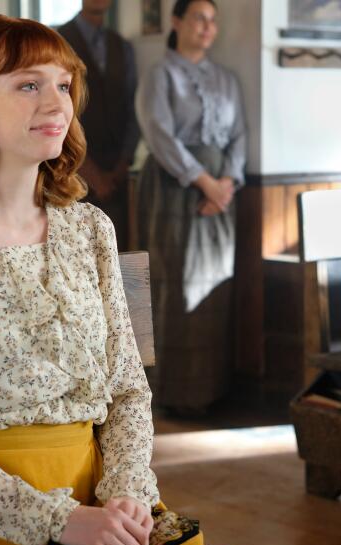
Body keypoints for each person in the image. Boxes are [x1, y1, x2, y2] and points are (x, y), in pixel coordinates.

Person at [0, 15, 219, 545]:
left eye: (63, 85)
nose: (57, 105)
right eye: (28, 84)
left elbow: (128, 389)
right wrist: (57, 520)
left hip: (100, 495)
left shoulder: (92, 230)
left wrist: (125, 493)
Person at [134, 0, 247, 413]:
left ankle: (209, 390)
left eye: (213, 20)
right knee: (173, 285)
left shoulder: (226, 79)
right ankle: (170, 395)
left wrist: (227, 185)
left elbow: (238, 136)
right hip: (173, 187)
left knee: (214, 282)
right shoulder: (159, 75)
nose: (207, 27)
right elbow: (159, 135)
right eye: (199, 17)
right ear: (177, 21)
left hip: (220, 192)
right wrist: (204, 182)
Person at [59, 0, 139, 250]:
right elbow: (59, 111)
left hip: (117, 174)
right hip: (70, 168)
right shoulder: (59, 40)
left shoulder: (122, 46)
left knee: (117, 252)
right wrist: (89, 171)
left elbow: (132, 107)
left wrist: (123, 163)